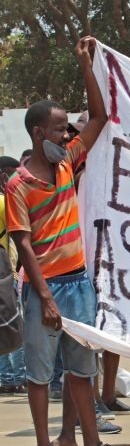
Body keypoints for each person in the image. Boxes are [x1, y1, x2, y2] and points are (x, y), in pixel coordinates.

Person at [5, 36, 130, 446]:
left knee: (83, 369)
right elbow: (24, 245)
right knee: (41, 374)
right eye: (60, 129)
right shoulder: (19, 184)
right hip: (45, 290)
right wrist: (46, 298)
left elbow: (99, 116)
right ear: (39, 132)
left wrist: (87, 64)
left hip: (78, 283)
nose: (68, 135)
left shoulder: (65, 164)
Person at [0, 156, 26, 397]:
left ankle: (5, 377)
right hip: (5, 275)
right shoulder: (2, 202)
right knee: (12, 324)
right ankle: (14, 377)